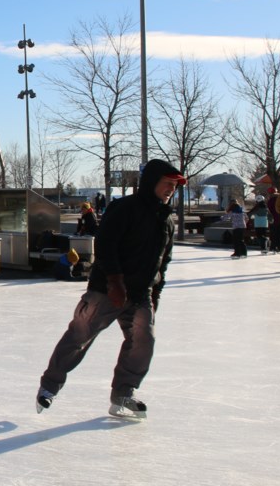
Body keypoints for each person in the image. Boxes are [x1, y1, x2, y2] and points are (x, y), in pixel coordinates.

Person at [36, 158, 186, 419]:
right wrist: (115, 282)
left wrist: (156, 293)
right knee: (79, 336)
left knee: (143, 341)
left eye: (175, 185)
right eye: (167, 183)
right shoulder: (125, 208)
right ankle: (49, 386)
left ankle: (123, 393)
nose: (171, 189)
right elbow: (106, 245)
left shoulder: (166, 220)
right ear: (152, 182)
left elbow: (164, 259)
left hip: (141, 294)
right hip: (106, 291)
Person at [267, 187, 280, 253]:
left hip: (273, 219)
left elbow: (268, 210)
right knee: (279, 234)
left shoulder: (271, 200)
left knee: (273, 234)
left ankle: (273, 247)